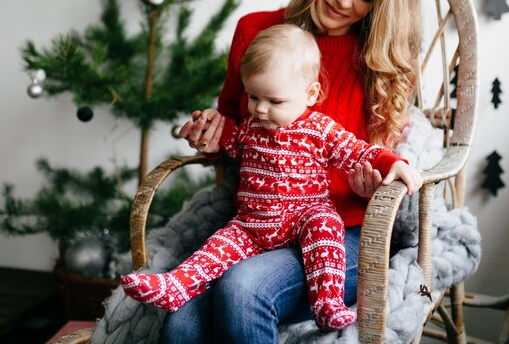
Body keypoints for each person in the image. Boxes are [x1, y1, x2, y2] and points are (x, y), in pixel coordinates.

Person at [160, 0, 423, 343]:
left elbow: (376, 156)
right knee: (180, 321)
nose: (344, 1)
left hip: (342, 236)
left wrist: (370, 184)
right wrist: (210, 132)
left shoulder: (382, 65)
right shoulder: (256, 31)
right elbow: (234, 129)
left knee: (243, 288)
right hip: (257, 221)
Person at [121, 24, 422, 331]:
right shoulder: (252, 127)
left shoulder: (318, 129)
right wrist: (210, 127)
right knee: (216, 246)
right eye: (253, 97)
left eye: (274, 101)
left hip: (305, 216)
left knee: (326, 228)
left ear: (310, 94)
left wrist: (391, 163)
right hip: (252, 225)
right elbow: (231, 141)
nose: (260, 109)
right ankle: (176, 285)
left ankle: (328, 302)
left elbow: (357, 151)